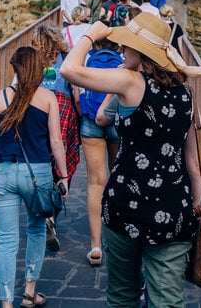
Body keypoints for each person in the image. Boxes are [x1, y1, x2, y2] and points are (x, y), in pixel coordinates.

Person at [60, 14, 201, 308]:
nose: (121, 51)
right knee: (167, 301)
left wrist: (91, 35)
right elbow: (193, 164)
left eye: (126, 46)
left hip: (125, 208)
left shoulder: (130, 82)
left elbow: (69, 69)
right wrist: (196, 205)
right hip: (172, 212)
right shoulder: (186, 93)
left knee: (122, 297)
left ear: (140, 52)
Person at [0, 46, 69, 308]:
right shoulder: (48, 98)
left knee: (6, 240)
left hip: (3, 173)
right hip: (37, 175)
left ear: (15, 69)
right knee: (36, 230)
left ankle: (6, 303)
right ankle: (30, 293)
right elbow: (55, 141)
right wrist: (62, 176)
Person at [31, 22, 81, 252]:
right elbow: (75, 91)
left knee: (42, 159)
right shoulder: (66, 57)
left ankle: (44, 215)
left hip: (39, 107)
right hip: (63, 110)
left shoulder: (33, 61)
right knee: (64, 161)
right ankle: (53, 214)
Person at [78, 39, 123, 266]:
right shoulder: (121, 63)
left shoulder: (85, 61)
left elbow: (78, 94)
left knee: (96, 183)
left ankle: (95, 246)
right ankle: (117, 237)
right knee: (118, 177)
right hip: (116, 120)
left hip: (90, 121)